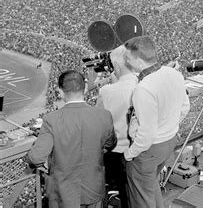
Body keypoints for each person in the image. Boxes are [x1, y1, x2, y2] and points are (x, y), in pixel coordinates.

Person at [27, 70, 117, 208]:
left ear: (60, 92)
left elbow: (35, 158)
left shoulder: (51, 119)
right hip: (94, 188)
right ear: (85, 88)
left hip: (63, 193)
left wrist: (50, 166)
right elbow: (110, 144)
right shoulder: (104, 115)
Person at [122, 36, 190, 208]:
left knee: (142, 199)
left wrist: (130, 154)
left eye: (128, 58)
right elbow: (185, 107)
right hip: (168, 142)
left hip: (148, 149)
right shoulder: (174, 73)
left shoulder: (144, 88)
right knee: (152, 186)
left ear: (138, 60)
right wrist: (168, 126)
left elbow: (147, 133)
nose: (126, 61)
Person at [96, 45, 138, 208]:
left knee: (120, 192)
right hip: (138, 149)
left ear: (117, 66)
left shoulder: (107, 91)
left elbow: (97, 119)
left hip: (115, 152)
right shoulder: (141, 83)